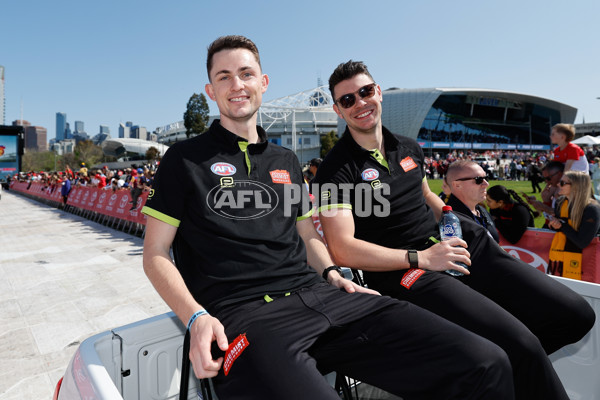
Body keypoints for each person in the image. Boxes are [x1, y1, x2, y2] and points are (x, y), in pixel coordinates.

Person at [141, 36, 514, 400]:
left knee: (486, 361)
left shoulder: (286, 160)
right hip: (246, 316)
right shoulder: (183, 159)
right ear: (211, 90)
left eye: (246, 73)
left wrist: (333, 274)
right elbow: (155, 253)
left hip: (324, 296)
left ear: (263, 83)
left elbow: (306, 234)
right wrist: (195, 318)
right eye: (224, 77)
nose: (237, 85)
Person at [312, 60, 595, 400]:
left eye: (366, 91)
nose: (360, 103)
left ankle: (505, 370)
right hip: (407, 269)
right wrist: (422, 257)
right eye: (347, 100)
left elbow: (425, 193)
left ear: (379, 93)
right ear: (337, 110)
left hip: (459, 244)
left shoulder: (408, 147)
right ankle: (510, 363)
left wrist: (449, 214)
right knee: (521, 347)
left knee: (575, 315)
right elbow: (342, 248)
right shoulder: (333, 171)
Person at [548, 171, 600, 280]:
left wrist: (561, 226)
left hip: (588, 265)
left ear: (576, 186)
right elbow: (561, 228)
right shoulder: (560, 203)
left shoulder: (591, 209)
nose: (558, 185)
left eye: (562, 183)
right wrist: (553, 224)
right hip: (560, 261)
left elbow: (582, 242)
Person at [444, 160, 499, 243]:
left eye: (486, 178)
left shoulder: (482, 211)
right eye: (478, 180)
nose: (486, 184)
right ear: (457, 185)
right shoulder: (449, 220)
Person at [525, 161, 564, 228]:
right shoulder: (554, 187)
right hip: (551, 226)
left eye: (548, 178)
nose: (546, 181)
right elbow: (549, 213)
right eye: (544, 178)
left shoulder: (565, 190)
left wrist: (542, 206)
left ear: (559, 174)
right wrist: (544, 201)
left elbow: (560, 216)